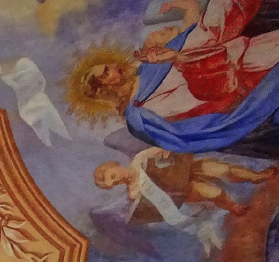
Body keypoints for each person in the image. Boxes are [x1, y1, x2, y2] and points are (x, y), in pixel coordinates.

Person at [75, 0, 279, 158]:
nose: (113, 66)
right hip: (248, 70)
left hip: (237, 51)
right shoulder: (145, 109)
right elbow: (213, 94)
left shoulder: (146, 70)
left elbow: (201, 37)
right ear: (103, 89)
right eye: (106, 72)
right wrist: (178, 58)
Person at [94, 148, 275, 219]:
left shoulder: (139, 158)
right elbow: (159, 204)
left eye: (113, 175)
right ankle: (232, 206)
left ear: (115, 165)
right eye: (113, 182)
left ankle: (257, 176)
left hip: (185, 168)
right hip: (184, 189)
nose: (117, 179)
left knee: (222, 169)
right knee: (212, 192)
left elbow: (163, 149)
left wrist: (165, 153)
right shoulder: (134, 192)